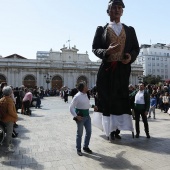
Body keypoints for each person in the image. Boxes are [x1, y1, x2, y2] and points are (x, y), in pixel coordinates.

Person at [92, 0, 139, 139]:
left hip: (122, 70)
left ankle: (117, 129)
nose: (117, 10)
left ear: (122, 11)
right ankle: (109, 129)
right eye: (114, 8)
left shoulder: (129, 30)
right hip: (107, 70)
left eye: (120, 8)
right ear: (108, 11)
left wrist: (130, 57)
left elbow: (136, 48)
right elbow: (95, 48)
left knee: (120, 99)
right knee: (107, 99)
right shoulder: (101, 29)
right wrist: (107, 51)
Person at [69, 82, 97, 156]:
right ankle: (78, 149)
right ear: (83, 88)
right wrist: (76, 116)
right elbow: (71, 107)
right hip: (80, 118)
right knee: (80, 134)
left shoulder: (85, 94)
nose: (87, 87)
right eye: (86, 86)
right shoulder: (77, 96)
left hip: (87, 117)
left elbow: (87, 104)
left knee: (89, 132)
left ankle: (85, 147)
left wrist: (93, 106)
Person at [0, 86, 18, 152]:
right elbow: (10, 111)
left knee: (6, 132)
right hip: (9, 119)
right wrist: (16, 116)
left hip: (3, 118)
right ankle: (8, 146)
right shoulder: (9, 100)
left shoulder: (1, 99)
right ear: (10, 92)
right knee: (9, 133)